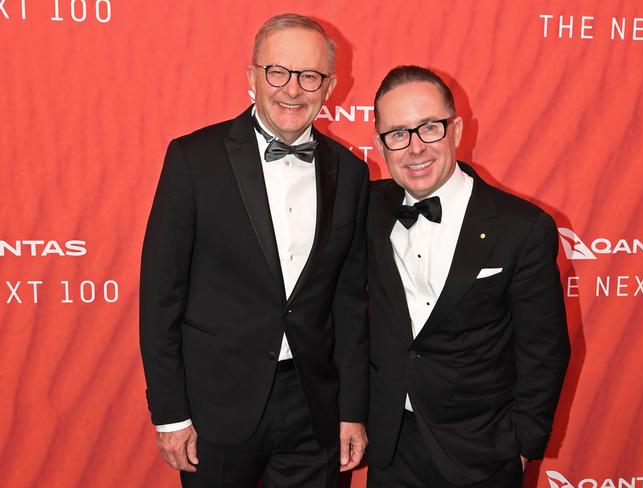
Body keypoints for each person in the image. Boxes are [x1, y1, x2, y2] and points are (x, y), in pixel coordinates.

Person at [139, 14, 369, 488]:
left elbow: (349, 303)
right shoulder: (192, 159)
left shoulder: (351, 173)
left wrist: (352, 409)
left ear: (329, 87)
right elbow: (160, 296)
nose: (293, 89)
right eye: (277, 72)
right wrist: (170, 414)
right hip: (215, 409)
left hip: (315, 410)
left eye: (310, 76)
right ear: (252, 78)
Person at [365, 65, 570, 487]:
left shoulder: (521, 227)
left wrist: (521, 446)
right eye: (398, 134)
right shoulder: (367, 209)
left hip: (482, 452)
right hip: (392, 448)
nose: (415, 148)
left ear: (456, 129)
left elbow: (543, 348)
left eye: (429, 128)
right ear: (380, 145)